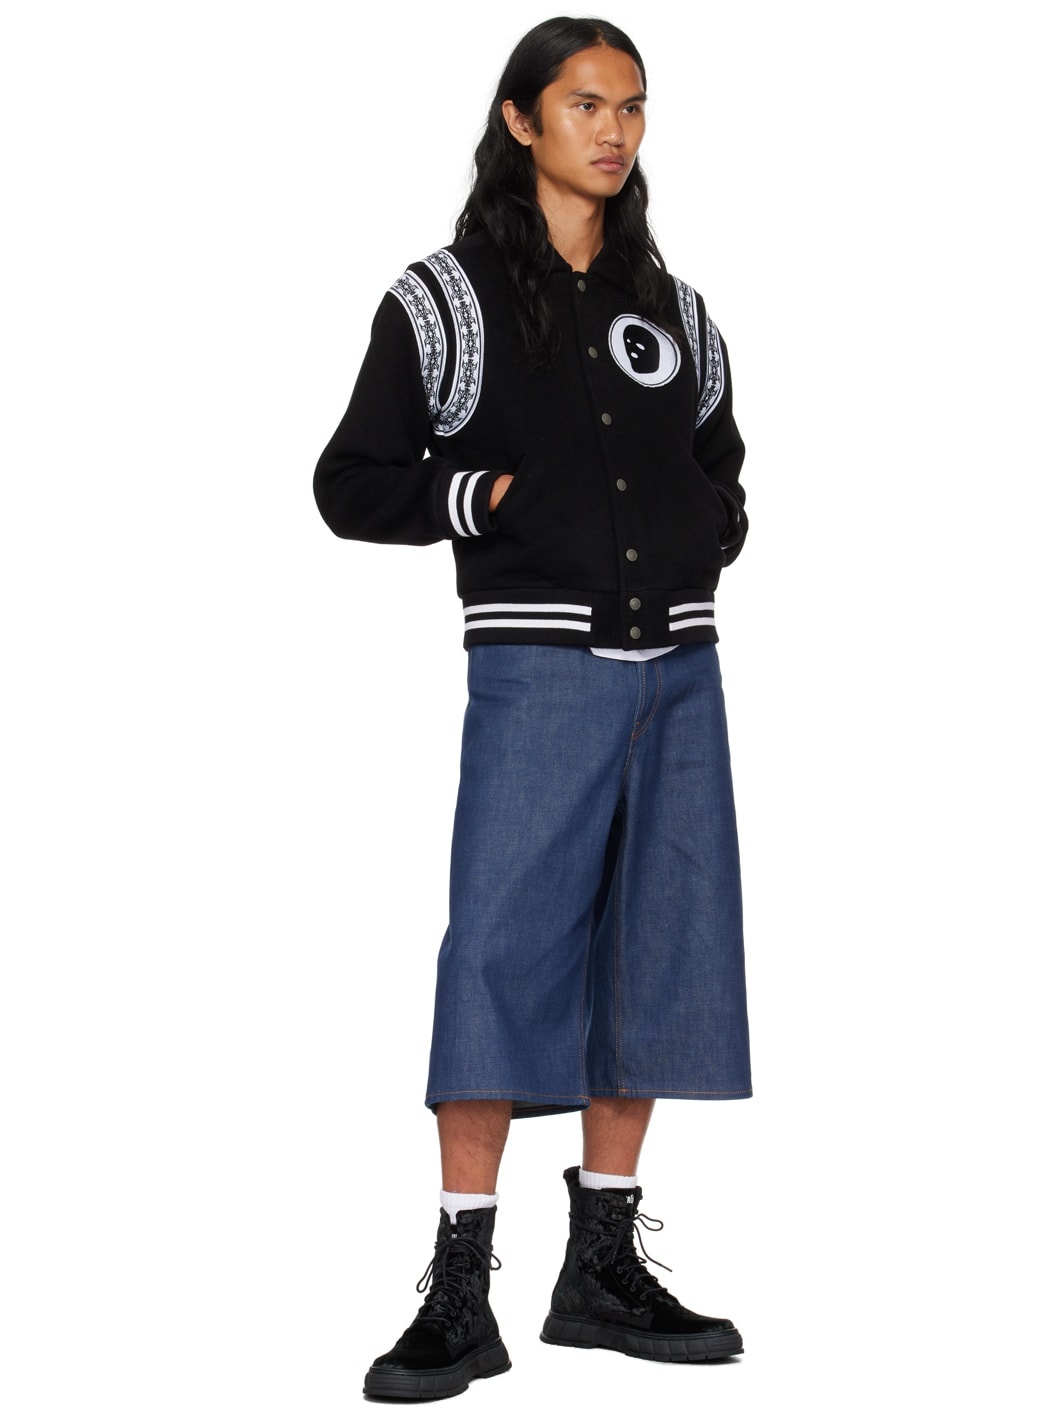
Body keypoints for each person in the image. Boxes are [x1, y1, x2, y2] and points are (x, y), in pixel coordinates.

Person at [314, 16, 751, 1401]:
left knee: (658, 950)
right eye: (584, 105)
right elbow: (350, 482)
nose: (614, 130)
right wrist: (487, 496)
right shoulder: (444, 302)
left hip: (680, 672)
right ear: (520, 122)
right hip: (538, 670)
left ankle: (601, 1267)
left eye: (633, 106)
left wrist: (707, 528)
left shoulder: (674, 312)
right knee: (498, 953)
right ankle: (461, 1286)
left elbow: (723, 469)